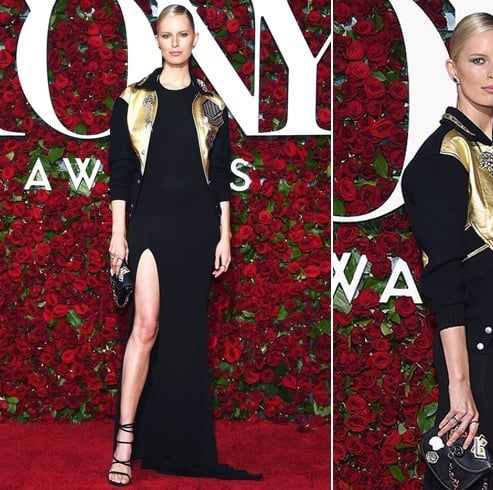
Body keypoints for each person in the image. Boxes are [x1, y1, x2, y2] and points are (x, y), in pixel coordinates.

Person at [106, 4, 261, 486]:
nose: (175, 43)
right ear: (157, 40)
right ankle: (125, 443)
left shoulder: (211, 106)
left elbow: (221, 180)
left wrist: (225, 233)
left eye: (183, 35)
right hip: (149, 224)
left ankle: (176, 440)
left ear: (195, 41)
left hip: (197, 229)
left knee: (186, 338)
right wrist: (118, 232)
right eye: (167, 35)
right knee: (146, 327)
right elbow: (120, 173)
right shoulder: (131, 100)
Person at [401, 12, 493, 490]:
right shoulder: (442, 157)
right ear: (452, 68)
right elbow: (443, 280)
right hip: (477, 353)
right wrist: (458, 384)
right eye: (478, 60)